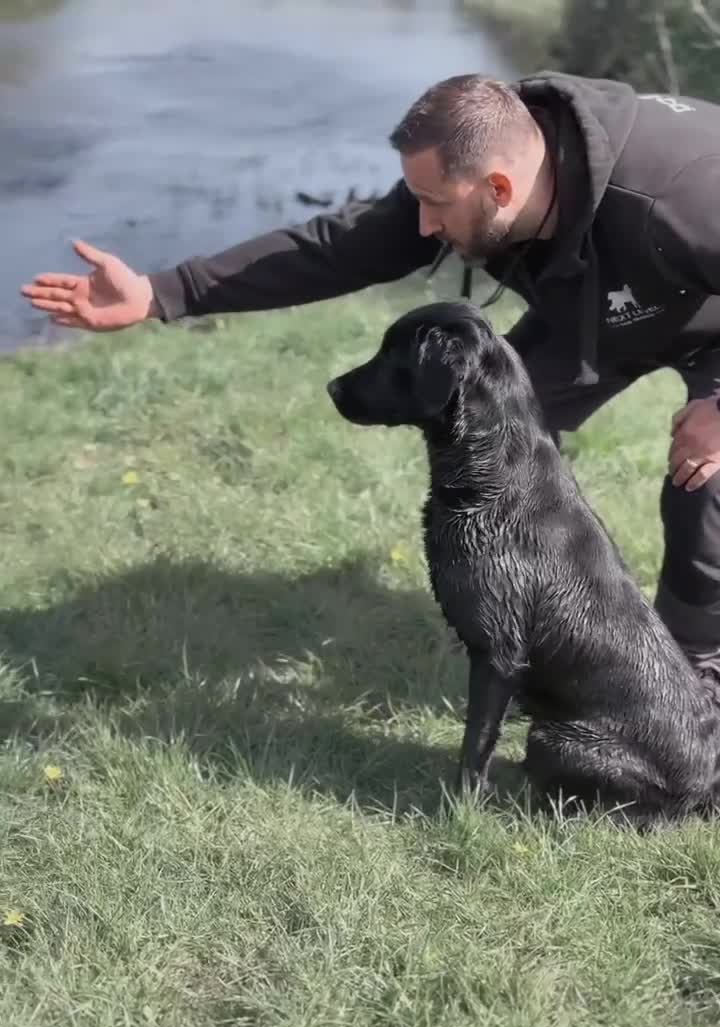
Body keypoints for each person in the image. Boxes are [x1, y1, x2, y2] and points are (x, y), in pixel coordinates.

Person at [21, 70, 720, 702]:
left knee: (704, 483)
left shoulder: (679, 191)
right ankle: (546, 634)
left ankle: (693, 686)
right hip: (601, 309)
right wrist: (160, 292)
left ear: (499, 189)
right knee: (493, 444)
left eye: (435, 205)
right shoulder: (485, 158)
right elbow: (342, 247)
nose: (424, 226)